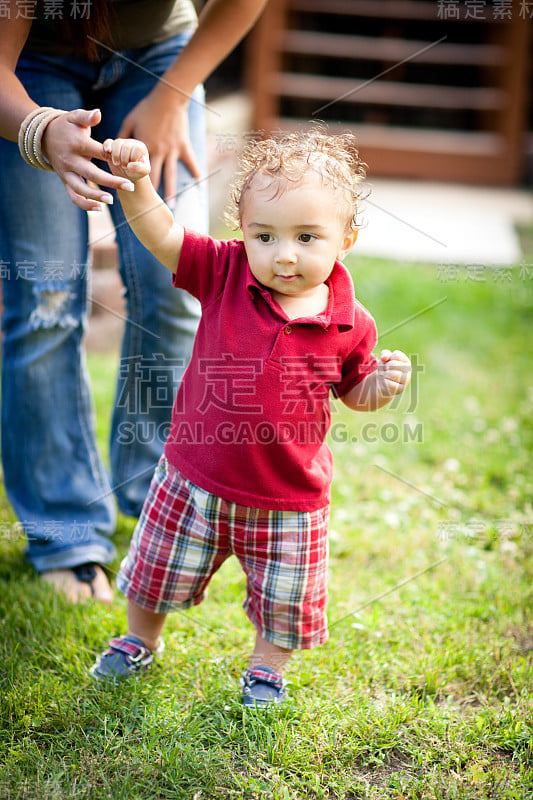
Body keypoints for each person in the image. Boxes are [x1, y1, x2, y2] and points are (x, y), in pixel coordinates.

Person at [89, 127, 412, 706]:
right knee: (157, 568)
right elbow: (162, 235)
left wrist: (381, 387)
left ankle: (265, 669)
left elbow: (355, 392)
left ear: (346, 239)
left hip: (289, 494)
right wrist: (138, 184)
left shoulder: (351, 322)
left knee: (285, 597)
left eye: (306, 237)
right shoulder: (226, 272)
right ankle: (139, 639)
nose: (283, 254)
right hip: (195, 476)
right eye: (264, 235)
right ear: (243, 233)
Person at [0, 0, 268, 603]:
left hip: (160, 56)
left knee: (177, 290)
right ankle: (64, 532)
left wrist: (174, 96)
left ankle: (155, 497)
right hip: (31, 71)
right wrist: (41, 131)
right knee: (44, 301)